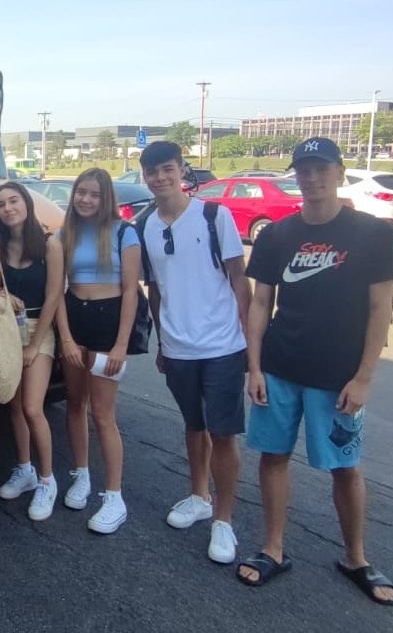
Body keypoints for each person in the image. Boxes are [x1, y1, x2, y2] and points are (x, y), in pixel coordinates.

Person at [237, 138, 393, 605]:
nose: (312, 178)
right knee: (273, 457)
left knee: (345, 467)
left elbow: (380, 308)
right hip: (280, 367)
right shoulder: (276, 235)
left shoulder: (372, 233)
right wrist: (254, 366)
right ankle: (273, 549)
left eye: (321, 168)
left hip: (339, 377)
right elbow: (261, 304)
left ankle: (356, 558)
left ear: (339, 171)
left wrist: (364, 377)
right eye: (304, 170)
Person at [138, 141, 251, 564]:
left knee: (222, 432)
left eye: (167, 169)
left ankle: (223, 519)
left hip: (222, 345)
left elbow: (239, 279)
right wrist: (162, 342)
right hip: (178, 348)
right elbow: (154, 290)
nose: (160, 178)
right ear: (145, 177)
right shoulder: (145, 226)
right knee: (193, 424)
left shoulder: (213, 216)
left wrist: (248, 340)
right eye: (152, 171)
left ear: (182, 171)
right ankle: (199, 496)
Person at [57, 168, 140, 533]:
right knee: (75, 403)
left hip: (109, 321)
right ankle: (82, 474)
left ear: (106, 198)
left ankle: (114, 495)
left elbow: (132, 291)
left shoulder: (124, 232)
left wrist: (121, 344)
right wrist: (65, 337)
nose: (86, 200)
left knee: (103, 414)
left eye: (94, 194)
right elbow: (56, 290)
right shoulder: (65, 233)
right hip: (75, 315)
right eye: (81, 192)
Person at [0, 182, 64, 522]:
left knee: (34, 407)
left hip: (39, 330)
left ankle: (48, 480)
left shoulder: (49, 244)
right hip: (8, 329)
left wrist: (35, 345)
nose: (8, 208)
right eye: (1, 204)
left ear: (27, 204)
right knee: (15, 404)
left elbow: (54, 296)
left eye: (14, 201)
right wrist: (3, 296)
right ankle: (25, 469)